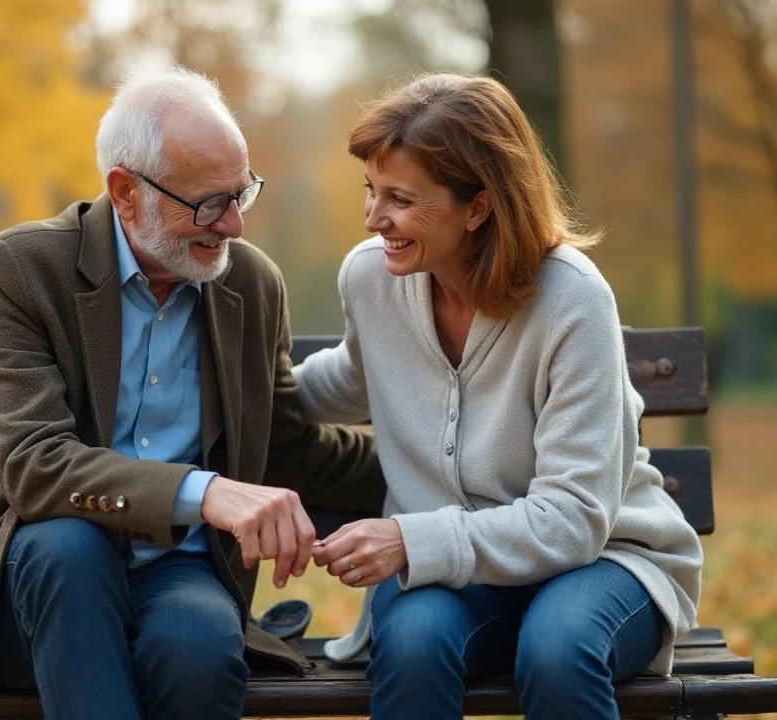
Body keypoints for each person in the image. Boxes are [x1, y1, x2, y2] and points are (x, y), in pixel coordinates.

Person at [0, 67, 383, 720]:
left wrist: (460, 472)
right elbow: (33, 463)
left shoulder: (251, 285)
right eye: (210, 203)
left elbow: (288, 449)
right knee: (72, 547)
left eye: (243, 195)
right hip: (17, 574)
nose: (235, 225)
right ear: (125, 193)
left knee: (200, 649)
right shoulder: (21, 270)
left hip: (173, 567)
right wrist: (207, 492)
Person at [297, 74, 704, 720]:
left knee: (557, 648)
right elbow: (348, 378)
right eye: (370, 191)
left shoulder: (572, 301)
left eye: (400, 199)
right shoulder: (372, 277)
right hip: (456, 582)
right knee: (409, 645)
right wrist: (234, 388)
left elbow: (572, 519)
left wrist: (409, 539)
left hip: (600, 560)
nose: (374, 220)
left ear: (478, 207)